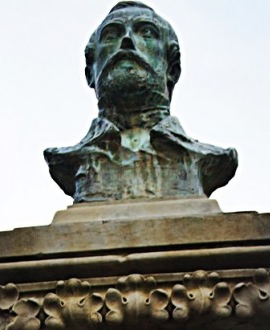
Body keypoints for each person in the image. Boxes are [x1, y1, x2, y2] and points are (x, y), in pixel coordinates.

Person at [45, 2, 237, 203]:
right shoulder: (71, 161)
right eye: (111, 36)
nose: (126, 41)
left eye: (146, 33)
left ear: (172, 69)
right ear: (89, 74)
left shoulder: (205, 158)